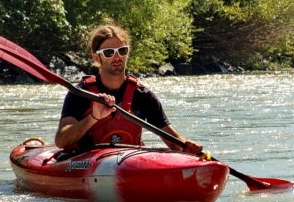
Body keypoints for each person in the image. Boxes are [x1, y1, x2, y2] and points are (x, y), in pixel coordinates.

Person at [55, 21, 201, 155]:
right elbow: (61, 141)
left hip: (128, 161)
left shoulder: (142, 95)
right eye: (109, 53)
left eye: (122, 51)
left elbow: (173, 139)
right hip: (85, 161)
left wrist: (187, 145)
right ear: (96, 57)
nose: (117, 57)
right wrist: (93, 118)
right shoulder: (80, 93)